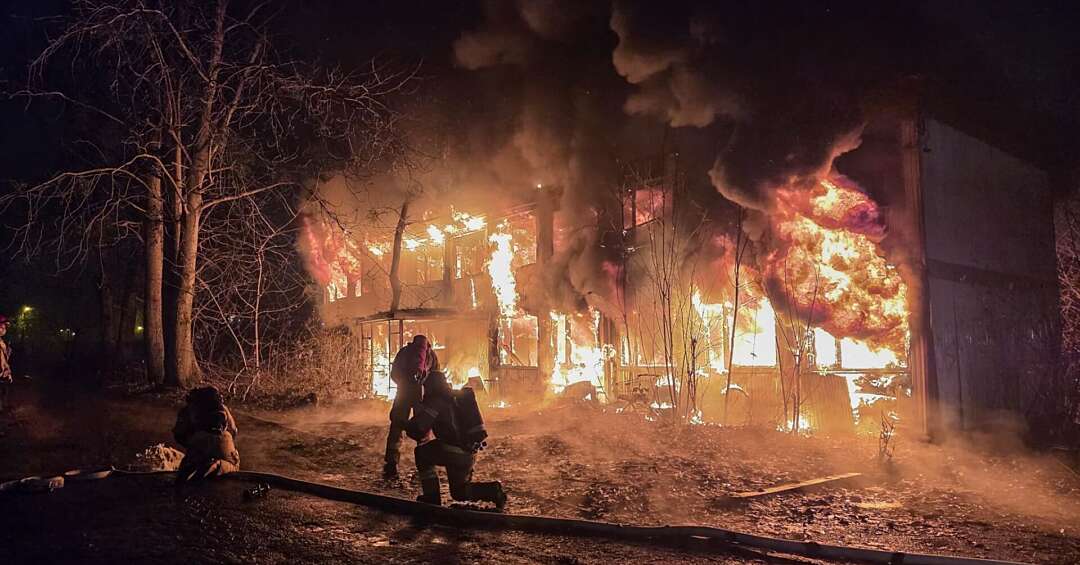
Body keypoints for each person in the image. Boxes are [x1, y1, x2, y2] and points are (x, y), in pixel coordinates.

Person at [406, 370, 506, 509]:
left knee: (421, 453)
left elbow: (419, 428)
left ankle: (431, 497)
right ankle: (492, 491)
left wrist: (403, 423)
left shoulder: (437, 401)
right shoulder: (457, 397)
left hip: (452, 451)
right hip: (469, 452)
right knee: (459, 492)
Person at [383, 335, 439, 478]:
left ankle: (391, 462)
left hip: (403, 393)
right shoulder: (431, 355)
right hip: (421, 396)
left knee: (396, 425)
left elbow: (394, 374)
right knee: (423, 429)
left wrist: (403, 384)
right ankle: (424, 462)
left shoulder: (404, 352)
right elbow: (436, 377)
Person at [173, 386, 240, 483]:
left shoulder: (187, 410)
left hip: (198, 440)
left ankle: (199, 465)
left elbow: (178, 434)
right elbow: (234, 430)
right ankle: (217, 465)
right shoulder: (223, 408)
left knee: (185, 474)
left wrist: (193, 443)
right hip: (223, 439)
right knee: (233, 465)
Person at [0, 315, 11, 413]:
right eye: (1, 327)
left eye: (4, 328)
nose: (3, 330)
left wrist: (8, 372)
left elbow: (4, 360)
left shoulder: (3, 342)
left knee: (4, 393)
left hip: (3, 375)